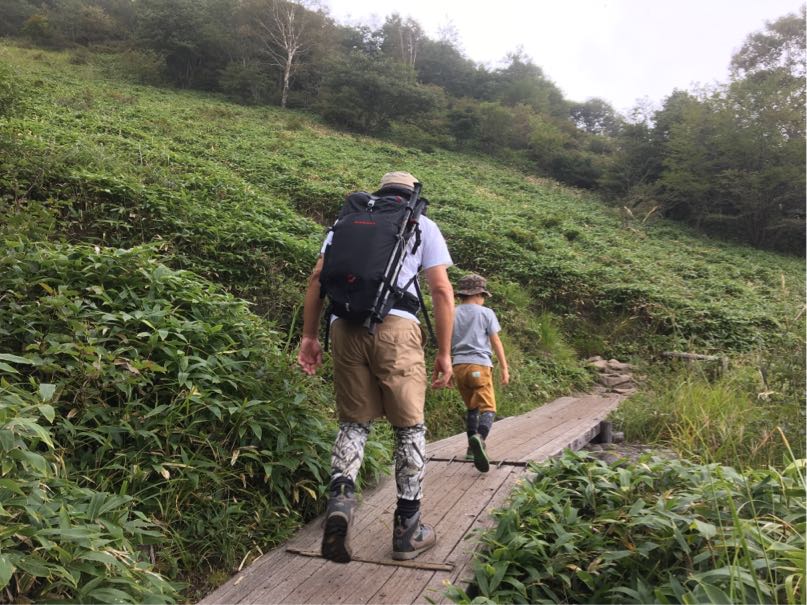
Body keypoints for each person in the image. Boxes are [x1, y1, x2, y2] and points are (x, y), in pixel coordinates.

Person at [297, 171, 455, 563]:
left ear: (380, 192)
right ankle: (407, 529)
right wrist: (444, 351)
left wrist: (309, 335)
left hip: (344, 327)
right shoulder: (421, 223)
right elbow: (440, 289)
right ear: (411, 194)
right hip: (397, 329)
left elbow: (317, 278)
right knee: (409, 428)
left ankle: (341, 499)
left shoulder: (345, 222)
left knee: (354, 424)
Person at [451, 274, 509, 473]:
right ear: (477, 294)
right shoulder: (486, 313)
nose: (483, 299)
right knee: (488, 408)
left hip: (458, 367)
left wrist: (444, 369)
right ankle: (480, 438)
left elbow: (444, 341)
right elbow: (495, 341)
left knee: (472, 407)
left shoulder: (451, 312)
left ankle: (470, 449)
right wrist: (504, 367)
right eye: (483, 295)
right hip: (479, 366)